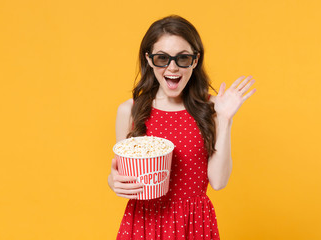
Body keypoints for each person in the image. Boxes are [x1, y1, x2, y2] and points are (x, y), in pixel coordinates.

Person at [108, 15, 256, 239]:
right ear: (149, 59)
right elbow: (123, 173)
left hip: (194, 223)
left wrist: (225, 120)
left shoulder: (215, 107)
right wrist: (113, 181)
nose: (173, 67)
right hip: (144, 223)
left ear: (195, 61)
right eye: (162, 58)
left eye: (183, 58)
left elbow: (218, 181)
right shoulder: (129, 110)